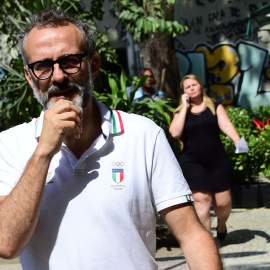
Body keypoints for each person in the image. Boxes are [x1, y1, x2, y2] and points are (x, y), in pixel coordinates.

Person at [0, 9, 223, 270]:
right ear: (29, 76)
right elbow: (6, 243)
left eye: (70, 61)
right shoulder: (10, 145)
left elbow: (191, 234)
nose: (58, 76)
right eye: (43, 66)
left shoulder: (143, 135)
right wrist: (43, 153)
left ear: (93, 66)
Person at [169, 74, 240, 240]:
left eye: (194, 85)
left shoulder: (214, 106)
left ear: (200, 86)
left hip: (217, 161)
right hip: (192, 162)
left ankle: (221, 225)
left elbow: (226, 125)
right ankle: (207, 242)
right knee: (202, 201)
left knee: (223, 204)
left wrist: (237, 140)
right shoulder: (180, 112)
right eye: (188, 87)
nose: (192, 88)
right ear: (184, 92)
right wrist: (185, 107)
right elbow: (174, 132)